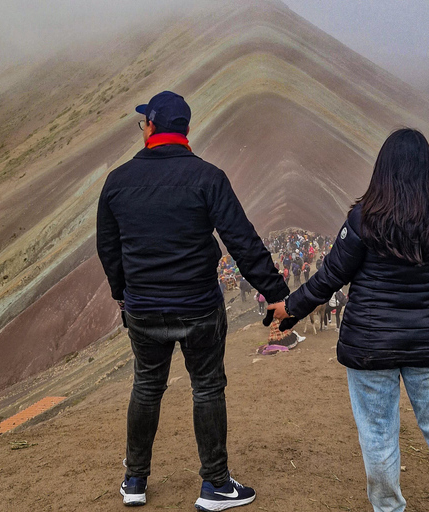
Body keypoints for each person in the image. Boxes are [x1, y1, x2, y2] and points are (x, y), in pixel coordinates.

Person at [268, 128, 429, 511]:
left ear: (383, 168)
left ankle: (388, 508)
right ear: (428, 167)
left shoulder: (364, 216)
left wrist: (291, 307)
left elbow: (331, 275)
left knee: (378, 436)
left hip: (370, 345)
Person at [97, 91, 288, 510]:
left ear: (150, 126)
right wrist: (275, 293)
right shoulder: (208, 178)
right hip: (198, 305)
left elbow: (109, 250)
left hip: (144, 307)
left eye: (143, 122)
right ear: (185, 130)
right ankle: (216, 485)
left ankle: (135, 481)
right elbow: (242, 241)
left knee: (146, 386)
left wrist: (123, 297)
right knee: (207, 388)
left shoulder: (117, 181)